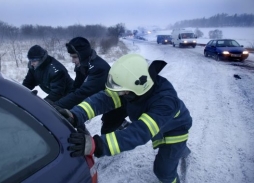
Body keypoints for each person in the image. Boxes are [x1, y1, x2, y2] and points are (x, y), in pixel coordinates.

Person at [58, 54, 192, 182]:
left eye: (123, 91)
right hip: (158, 124)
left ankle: (178, 158)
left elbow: (139, 132)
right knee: (172, 155)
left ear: (137, 87)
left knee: (163, 172)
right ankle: (181, 150)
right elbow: (102, 100)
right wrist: (75, 114)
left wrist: (96, 144)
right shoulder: (134, 88)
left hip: (175, 130)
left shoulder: (165, 102)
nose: (120, 93)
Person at [52, 37, 129, 134]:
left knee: (106, 130)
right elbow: (76, 87)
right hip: (106, 97)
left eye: (75, 57)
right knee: (106, 117)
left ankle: (129, 133)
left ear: (82, 54)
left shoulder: (99, 68)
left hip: (120, 101)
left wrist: (57, 106)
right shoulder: (82, 65)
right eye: (71, 57)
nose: (72, 60)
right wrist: (57, 104)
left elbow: (82, 93)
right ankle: (122, 124)